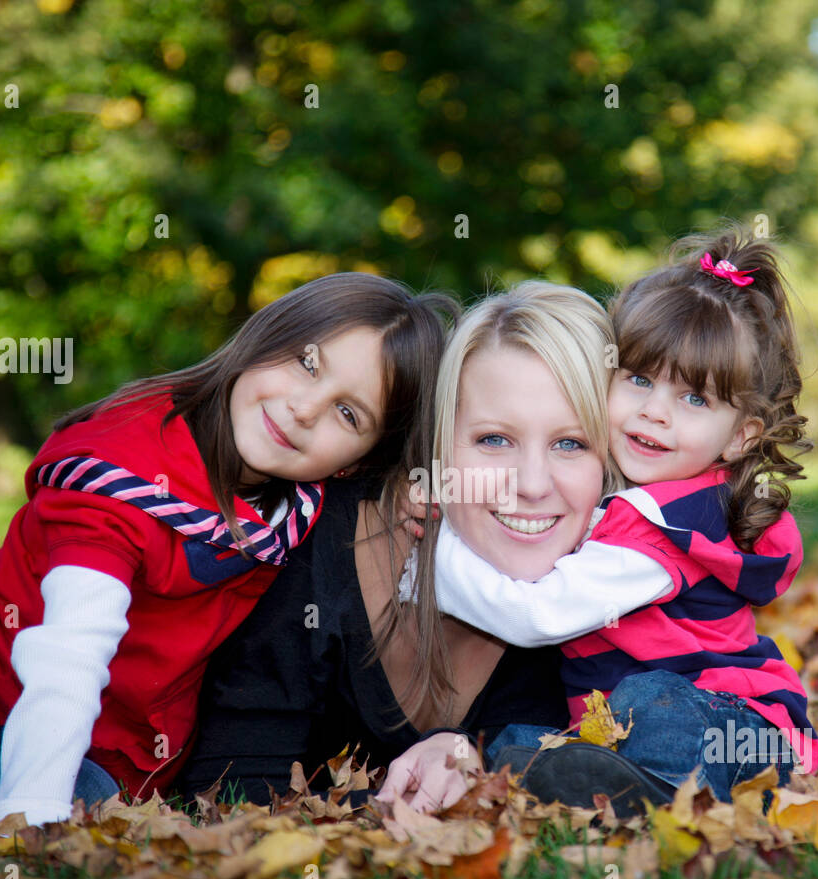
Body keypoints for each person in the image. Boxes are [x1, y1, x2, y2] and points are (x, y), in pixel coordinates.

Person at [0, 273, 455, 837]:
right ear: (263, 337)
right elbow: (70, 651)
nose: (304, 407)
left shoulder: (305, 507)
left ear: (361, 461)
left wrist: (411, 494)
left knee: (77, 829)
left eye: (348, 412)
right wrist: (26, 816)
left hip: (115, 747)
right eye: (305, 363)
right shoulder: (125, 463)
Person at [181, 281, 620, 813]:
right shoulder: (322, 541)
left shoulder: (610, 590)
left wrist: (469, 759)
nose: (529, 484)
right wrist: (398, 799)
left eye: (570, 444)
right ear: (437, 443)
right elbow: (225, 794)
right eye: (493, 440)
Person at [422, 226, 818, 804]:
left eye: (693, 399)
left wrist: (425, 559)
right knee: (511, 743)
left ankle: (661, 794)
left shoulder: (670, 523)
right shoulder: (639, 500)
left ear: (740, 437)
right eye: (638, 379)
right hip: (632, 725)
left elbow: (537, 612)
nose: (654, 412)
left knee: (653, 702)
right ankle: (604, 782)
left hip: (740, 728)